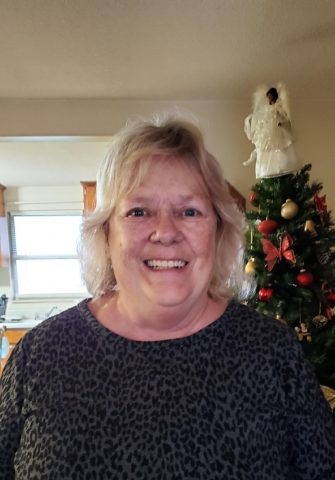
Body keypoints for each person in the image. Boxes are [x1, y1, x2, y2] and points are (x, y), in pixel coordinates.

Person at [0, 115, 334, 480]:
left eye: (189, 211)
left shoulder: (273, 353)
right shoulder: (40, 355)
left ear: (218, 231)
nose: (165, 232)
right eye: (139, 211)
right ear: (106, 233)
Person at [243, 84, 299, 178]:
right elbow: (262, 118)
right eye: (268, 96)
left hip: (277, 129)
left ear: (274, 96)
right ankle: (269, 167)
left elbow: (284, 117)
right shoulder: (266, 109)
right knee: (267, 148)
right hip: (268, 131)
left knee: (279, 148)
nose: (269, 98)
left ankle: (279, 166)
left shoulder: (278, 107)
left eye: (270, 96)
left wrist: (281, 123)